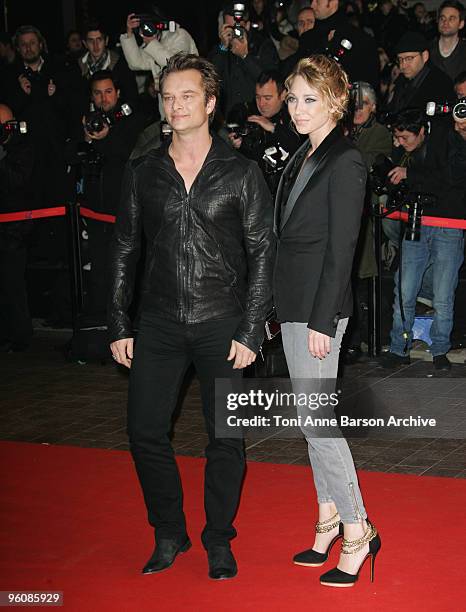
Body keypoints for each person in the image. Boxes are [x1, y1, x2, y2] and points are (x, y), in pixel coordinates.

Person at [108, 53, 274, 580]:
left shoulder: (242, 172)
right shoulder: (143, 171)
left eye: (186, 95)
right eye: (167, 96)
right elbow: (122, 249)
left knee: (226, 438)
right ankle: (169, 531)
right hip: (156, 322)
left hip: (222, 322)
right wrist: (117, 321)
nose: (175, 105)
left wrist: (251, 329)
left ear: (209, 102)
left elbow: (263, 255)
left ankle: (218, 538)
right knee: (144, 432)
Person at [273, 54, 380, 588]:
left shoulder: (346, 160)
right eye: (293, 97)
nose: (297, 108)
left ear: (337, 102)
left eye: (309, 99)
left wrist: (321, 319)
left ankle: (358, 529)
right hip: (293, 303)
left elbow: (342, 249)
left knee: (318, 422)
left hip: (317, 310)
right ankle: (328, 515)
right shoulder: (304, 154)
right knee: (308, 422)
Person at [381, 108, 466, 370]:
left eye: (405, 137)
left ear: (421, 131)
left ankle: (440, 349)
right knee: (404, 289)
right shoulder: (406, 150)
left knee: (443, 294)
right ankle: (398, 348)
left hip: (448, 224)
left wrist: (410, 175)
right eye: (397, 137)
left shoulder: (446, 138)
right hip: (416, 220)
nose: (401, 143)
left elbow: (454, 177)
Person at [80, 70, 148, 316]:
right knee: (98, 269)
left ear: (118, 93)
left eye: (108, 92)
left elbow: (125, 154)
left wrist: (105, 138)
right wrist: (87, 139)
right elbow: (72, 156)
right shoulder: (88, 121)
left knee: (125, 269)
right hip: (94, 210)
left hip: (121, 209)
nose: (104, 98)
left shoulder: (131, 120)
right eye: (98, 93)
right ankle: (98, 324)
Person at [228, 70, 301, 196]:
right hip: (259, 193)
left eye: (268, 98)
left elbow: (301, 150)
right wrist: (240, 146)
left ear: (283, 94)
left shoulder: (297, 116)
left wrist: (273, 128)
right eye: (258, 97)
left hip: (289, 193)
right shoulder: (251, 116)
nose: (261, 104)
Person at [0, 103, 35, 352]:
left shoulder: (23, 147)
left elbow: (18, 181)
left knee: (13, 283)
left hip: (15, 227)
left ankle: (20, 337)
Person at [209, 1, 279, 116]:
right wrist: (222, 48)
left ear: (247, 25)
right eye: (228, 27)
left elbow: (269, 82)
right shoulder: (220, 49)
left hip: (256, 115)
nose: (232, 32)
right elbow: (211, 79)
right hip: (226, 119)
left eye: (237, 27)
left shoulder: (263, 46)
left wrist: (245, 56)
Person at [298, 0, 380, 88]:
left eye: (317, 1)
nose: (312, 5)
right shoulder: (308, 38)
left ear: (333, 2)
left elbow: (367, 82)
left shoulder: (358, 38)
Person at [385, 31, 455, 115]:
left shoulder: (441, 83)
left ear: (425, 56)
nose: (403, 65)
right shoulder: (401, 80)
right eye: (400, 59)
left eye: (409, 58)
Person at [429, 1, 466, 82]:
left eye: (451, 19)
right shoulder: (427, 50)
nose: (445, 22)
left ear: (461, 24)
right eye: (442, 18)